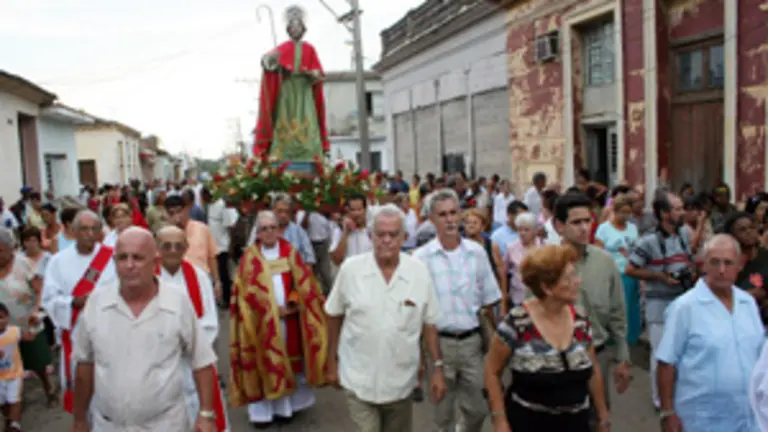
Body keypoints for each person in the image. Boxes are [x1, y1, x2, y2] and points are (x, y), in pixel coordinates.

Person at [70, 227, 218, 432]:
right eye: (122, 258)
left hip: (165, 425)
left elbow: (201, 361)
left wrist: (206, 414)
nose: (129, 265)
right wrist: (79, 419)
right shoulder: (96, 303)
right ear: (114, 263)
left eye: (138, 258)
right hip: (109, 425)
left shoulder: (177, 302)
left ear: (155, 262)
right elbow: (84, 365)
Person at [325, 204, 445, 432]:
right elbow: (334, 315)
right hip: (357, 377)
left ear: (405, 238)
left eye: (393, 234)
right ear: (371, 237)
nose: (386, 240)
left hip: (401, 380)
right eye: (380, 234)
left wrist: (437, 368)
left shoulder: (418, 272)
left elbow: (429, 323)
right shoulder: (351, 270)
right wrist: (331, 362)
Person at [484, 245, 610, 431]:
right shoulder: (517, 323)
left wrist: (603, 416)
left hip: (577, 424)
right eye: (569, 277)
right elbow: (492, 372)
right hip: (528, 423)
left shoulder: (581, 320)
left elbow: (592, 369)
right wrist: (499, 419)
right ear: (547, 287)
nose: (578, 281)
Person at [413, 188, 501, 432]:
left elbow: (489, 301)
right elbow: (417, 312)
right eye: (442, 215)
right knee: (442, 413)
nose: (450, 219)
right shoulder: (421, 259)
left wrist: (494, 344)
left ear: (460, 214)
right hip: (438, 345)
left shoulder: (477, 253)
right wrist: (423, 360)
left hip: (472, 343)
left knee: (478, 409)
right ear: (432, 220)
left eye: (453, 212)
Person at [229, 210, 328, 428]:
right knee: (262, 364)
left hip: (289, 321)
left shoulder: (289, 252)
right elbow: (243, 293)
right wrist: (269, 312)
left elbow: (303, 284)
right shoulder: (250, 258)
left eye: (273, 227)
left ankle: (285, 408)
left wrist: (292, 304)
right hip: (260, 325)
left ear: (279, 229)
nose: (269, 232)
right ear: (258, 232)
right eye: (264, 229)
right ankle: (262, 414)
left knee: (288, 365)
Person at [658, 235, 763, 432]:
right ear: (703, 264)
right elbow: (666, 362)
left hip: (748, 416)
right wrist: (667, 412)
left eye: (728, 263)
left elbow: (758, 355)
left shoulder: (747, 303)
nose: (721, 270)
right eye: (715, 262)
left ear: (739, 265)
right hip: (702, 418)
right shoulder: (684, 307)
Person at [41, 210, 117, 412]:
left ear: (101, 231)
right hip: (75, 333)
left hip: (109, 331)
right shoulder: (58, 262)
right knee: (82, 387)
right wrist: (73, 302)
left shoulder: (112, 257)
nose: (89, 234)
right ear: (73, 231)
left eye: (94, 229)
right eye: (84, 229)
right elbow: (49, 299)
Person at [155, 226, 229, 431]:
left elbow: (210, 322)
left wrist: (187, 344)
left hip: (193, 362)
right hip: (158, 363)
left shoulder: (199, 277)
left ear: (186, 247)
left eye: (178, 245)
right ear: (156, 248)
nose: (172, 250)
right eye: (166, 246)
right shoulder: (147, 280)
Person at [625, 191, 693, 409]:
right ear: (664, 213)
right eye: (677, 208)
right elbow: (630, 269)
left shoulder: (683, 234)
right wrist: (660, 276)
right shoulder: (649, 241)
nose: (683, 212)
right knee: (661, 354)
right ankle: (660, 400)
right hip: (659, 306)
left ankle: (677, 394)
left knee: (683, 352)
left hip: (682, 302)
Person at [253, 5, 330, 165]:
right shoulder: (282, 48)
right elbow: (267, 61)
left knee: (307, 121)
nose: (295, 29)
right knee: (285, 121)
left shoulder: (309, 49)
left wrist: (311, 74)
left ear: (303, 28)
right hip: (287, 93)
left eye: (298, 26)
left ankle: (309, 152)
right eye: (292, 26)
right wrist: (276, 66)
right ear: (288, 29)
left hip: (304, 92)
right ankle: (283, 153)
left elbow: (319, 74)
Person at [594, 196, 641, 345]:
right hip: (613, 273)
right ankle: (614, 338)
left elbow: (637, 249)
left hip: (631, 272)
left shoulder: (633, 228)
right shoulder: (604, 229)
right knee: (617, 308)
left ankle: (630, 338)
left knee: (631, 306)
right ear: (614, 211)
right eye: (622, 212)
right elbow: (598, 252)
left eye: (628, 213)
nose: (626, 216)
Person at [164, 195, 222, 301]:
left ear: (186, 210)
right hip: (177, 285)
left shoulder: (202, 228)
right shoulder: (165, 235)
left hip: (202, 282)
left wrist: (217, 282)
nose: (177, 216)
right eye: (172, 213)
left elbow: (211, 256)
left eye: (179, 211)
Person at [0, 302, 41, 431]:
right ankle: (9, 419)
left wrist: (34, 325)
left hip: (14, 374)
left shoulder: (14, 331)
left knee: (14, 400)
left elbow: (30, 337)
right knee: (3, 403)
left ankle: (15, 425)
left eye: (1, 317)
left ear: (7, 317)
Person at [504, 212, 543, 308]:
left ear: (535, 231)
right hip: (518, 298)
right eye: (520, 229)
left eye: (526, 230)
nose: (522, 233)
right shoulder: (511, 247)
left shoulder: (544, 247)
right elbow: (504, 272)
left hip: (539, 298)